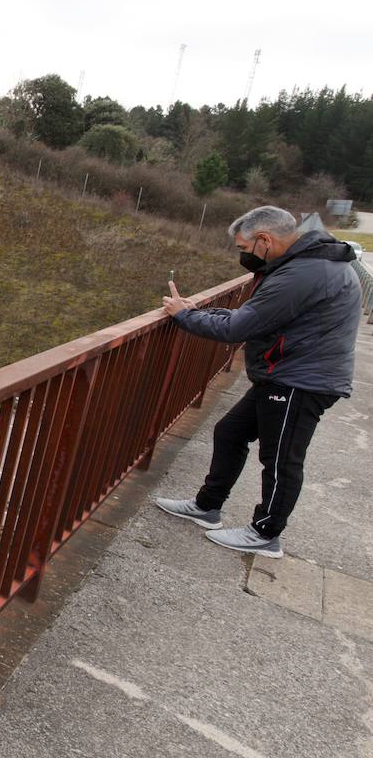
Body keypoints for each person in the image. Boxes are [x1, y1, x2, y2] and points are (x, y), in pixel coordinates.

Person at [157, 206, 361, 558]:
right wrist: (196, 311)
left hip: (301, 380)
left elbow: (237, 328)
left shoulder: (303, 273)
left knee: (281, 459)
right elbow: (254, 316)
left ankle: (266, 534)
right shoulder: (308, 265)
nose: (243, 255)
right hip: (289, 373)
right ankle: (208, 507)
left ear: (264, 240)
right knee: (230, 431)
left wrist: (185, 317)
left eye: (244, 248)